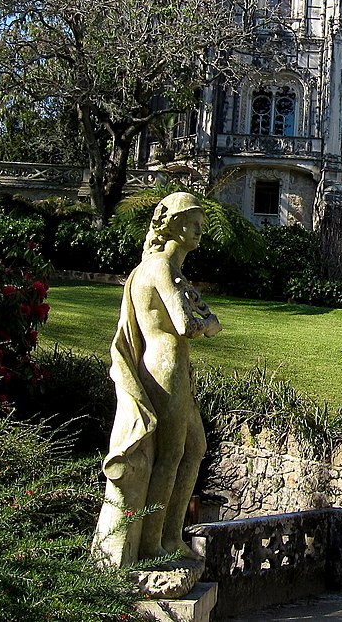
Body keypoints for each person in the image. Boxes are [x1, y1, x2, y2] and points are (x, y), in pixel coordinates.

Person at [93, 192, 222, 567]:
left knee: (193, 448)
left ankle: (169, 535)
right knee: (170, 455)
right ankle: (152, 545)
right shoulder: (161, 267)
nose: (200, 231)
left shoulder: (174, 272)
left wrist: (207, 322)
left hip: (176, 366)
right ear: (174, 225)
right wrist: (207, 323)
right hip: (164, 366)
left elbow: (207, 323)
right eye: (193, 223)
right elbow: (188, 324)